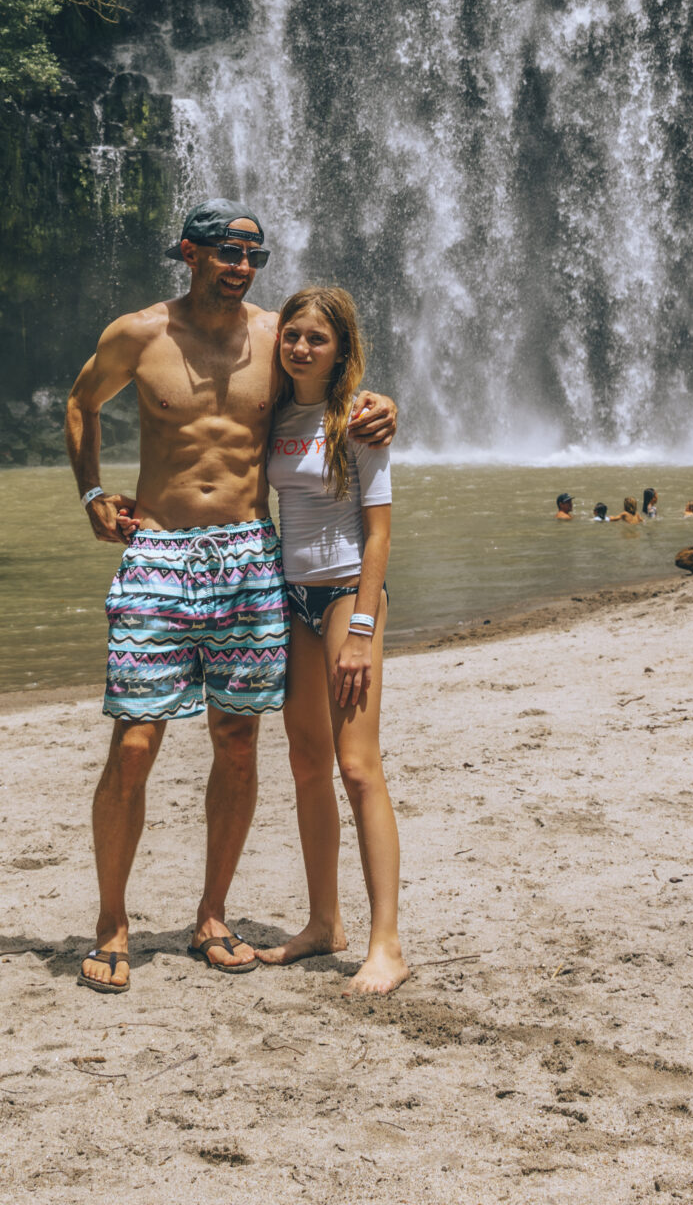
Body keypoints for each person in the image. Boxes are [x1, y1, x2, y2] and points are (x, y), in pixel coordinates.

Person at [64, 199, 397, 995]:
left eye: (253, 255)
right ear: (188, 252)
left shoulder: (275, 338)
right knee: (136, 742)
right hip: (160, 552)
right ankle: (112, 921)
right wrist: (91, 495)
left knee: (239, 743)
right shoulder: (137, 335)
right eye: (224, 252)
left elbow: (334, 381)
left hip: (251, 557)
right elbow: (80, 405)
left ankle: (212, 914)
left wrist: (380, 405)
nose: (240, 266)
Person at [256, 287, 407, 994]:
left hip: (350, 594)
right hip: (292, 597)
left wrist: (364, 630)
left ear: (341, 347)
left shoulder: (360, 420)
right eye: (293, 335)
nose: (301, 348)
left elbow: (378, 532)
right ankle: (324, 923)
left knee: (357, 766)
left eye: (317, 338)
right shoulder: (276, 413)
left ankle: (387, 944)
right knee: (307, 762)